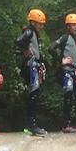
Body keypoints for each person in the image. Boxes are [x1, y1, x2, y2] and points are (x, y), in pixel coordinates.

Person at [49, 13, 76, 133]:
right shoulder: (65, 38)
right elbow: (51, 48)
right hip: (66, 71)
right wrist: (61, 60)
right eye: (73, 25)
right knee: (68, 93)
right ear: (68, 26)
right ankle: (66, 124)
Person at [14, 8, 48, 137]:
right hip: (31, 65)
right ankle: (31, 126)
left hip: (34, 65)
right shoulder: (29, 31)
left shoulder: (33, 33)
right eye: (40, 23)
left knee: (34, 94)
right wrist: (26, 49)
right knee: (33, 94)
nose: (41, 26)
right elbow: (18, 41)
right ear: (33, 22)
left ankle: (31, 125)